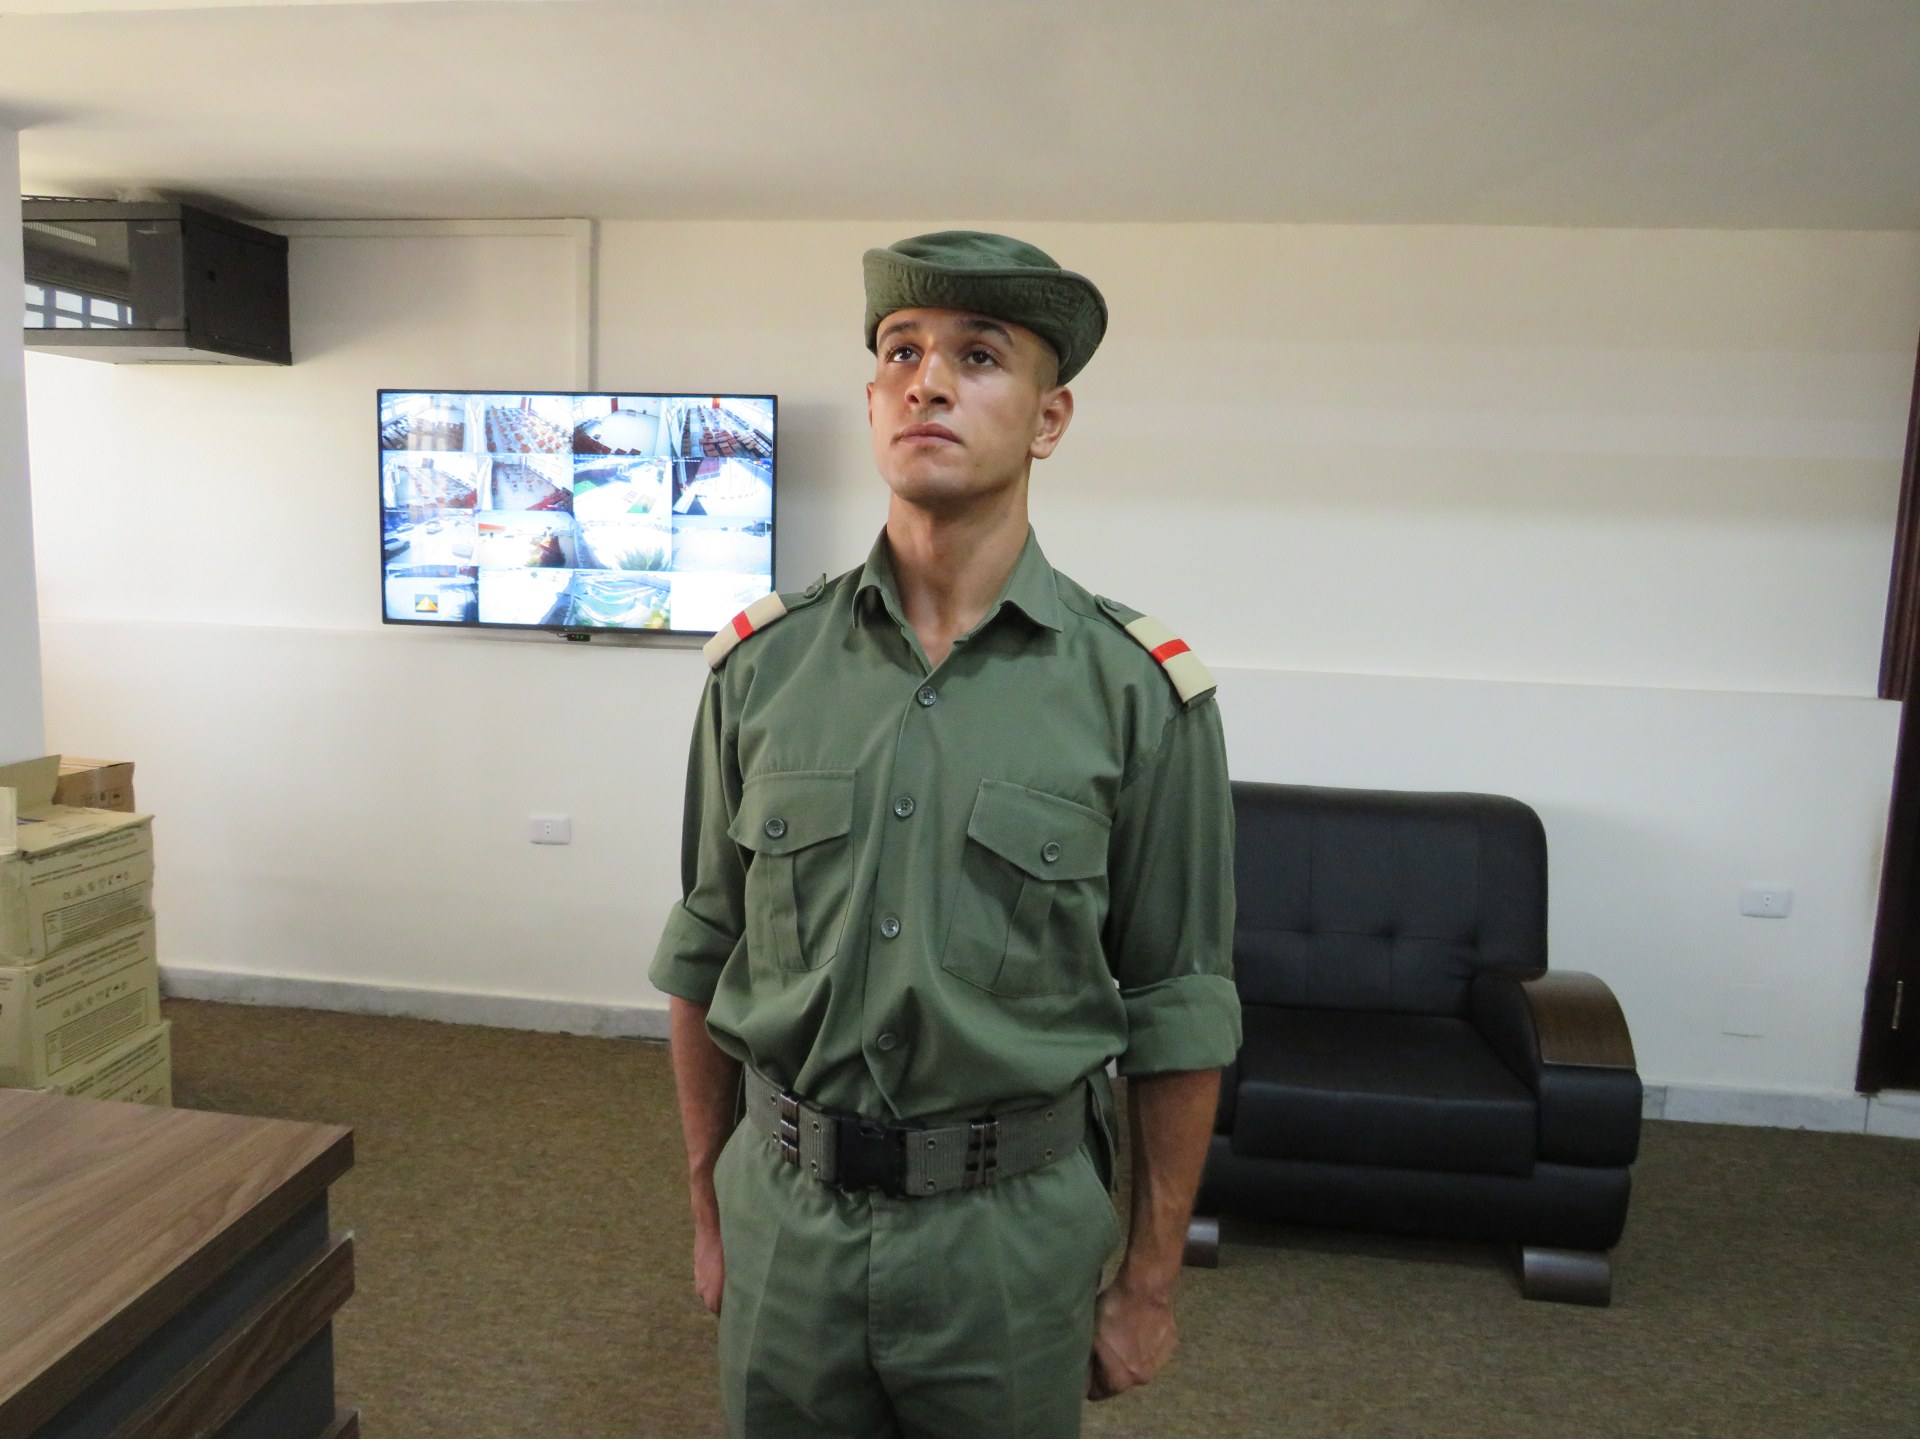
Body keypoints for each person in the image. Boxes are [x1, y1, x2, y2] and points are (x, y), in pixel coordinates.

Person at [650, 230, 1240, 1438]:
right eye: (902, 353)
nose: (929, 380)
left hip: (1009, 1238)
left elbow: (1180, 1002)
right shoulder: (760, 668)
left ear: (1048, 417)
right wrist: (714, 1214)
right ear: (874, 404)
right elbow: (704, 955)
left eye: (979, 356)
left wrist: (1147, 1281)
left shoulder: (1139, 692)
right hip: (789, 1218)